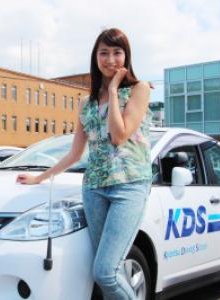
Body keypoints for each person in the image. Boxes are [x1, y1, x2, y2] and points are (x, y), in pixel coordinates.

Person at [17, 28, 152, 300]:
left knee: (106, 272)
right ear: (95, 57)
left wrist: (113, 89)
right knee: (104, 272)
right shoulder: (85, 103)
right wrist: (39, 178)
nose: (111, 59)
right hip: (94, 189)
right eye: (104, 52)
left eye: (117, 52)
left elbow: (119, 135)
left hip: (130, 187)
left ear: (126, 56)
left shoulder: (139, 89)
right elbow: (74, 154)